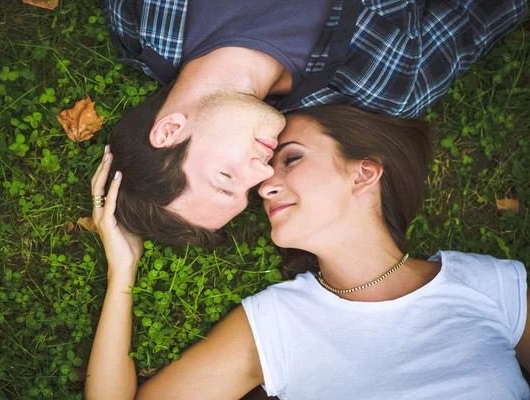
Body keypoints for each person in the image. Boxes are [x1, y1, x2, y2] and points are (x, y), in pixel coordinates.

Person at [85, 104, 530, 399]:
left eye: (292, 159)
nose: (264, 184)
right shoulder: (276, 324)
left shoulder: (494, 285)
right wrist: (122, 269)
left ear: (364, 173)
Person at [99, 0, 527, 247]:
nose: (264, 173)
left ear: (170, 131)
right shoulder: (387, 86)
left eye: (226, 177)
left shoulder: (142, 17)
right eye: (249, 192)